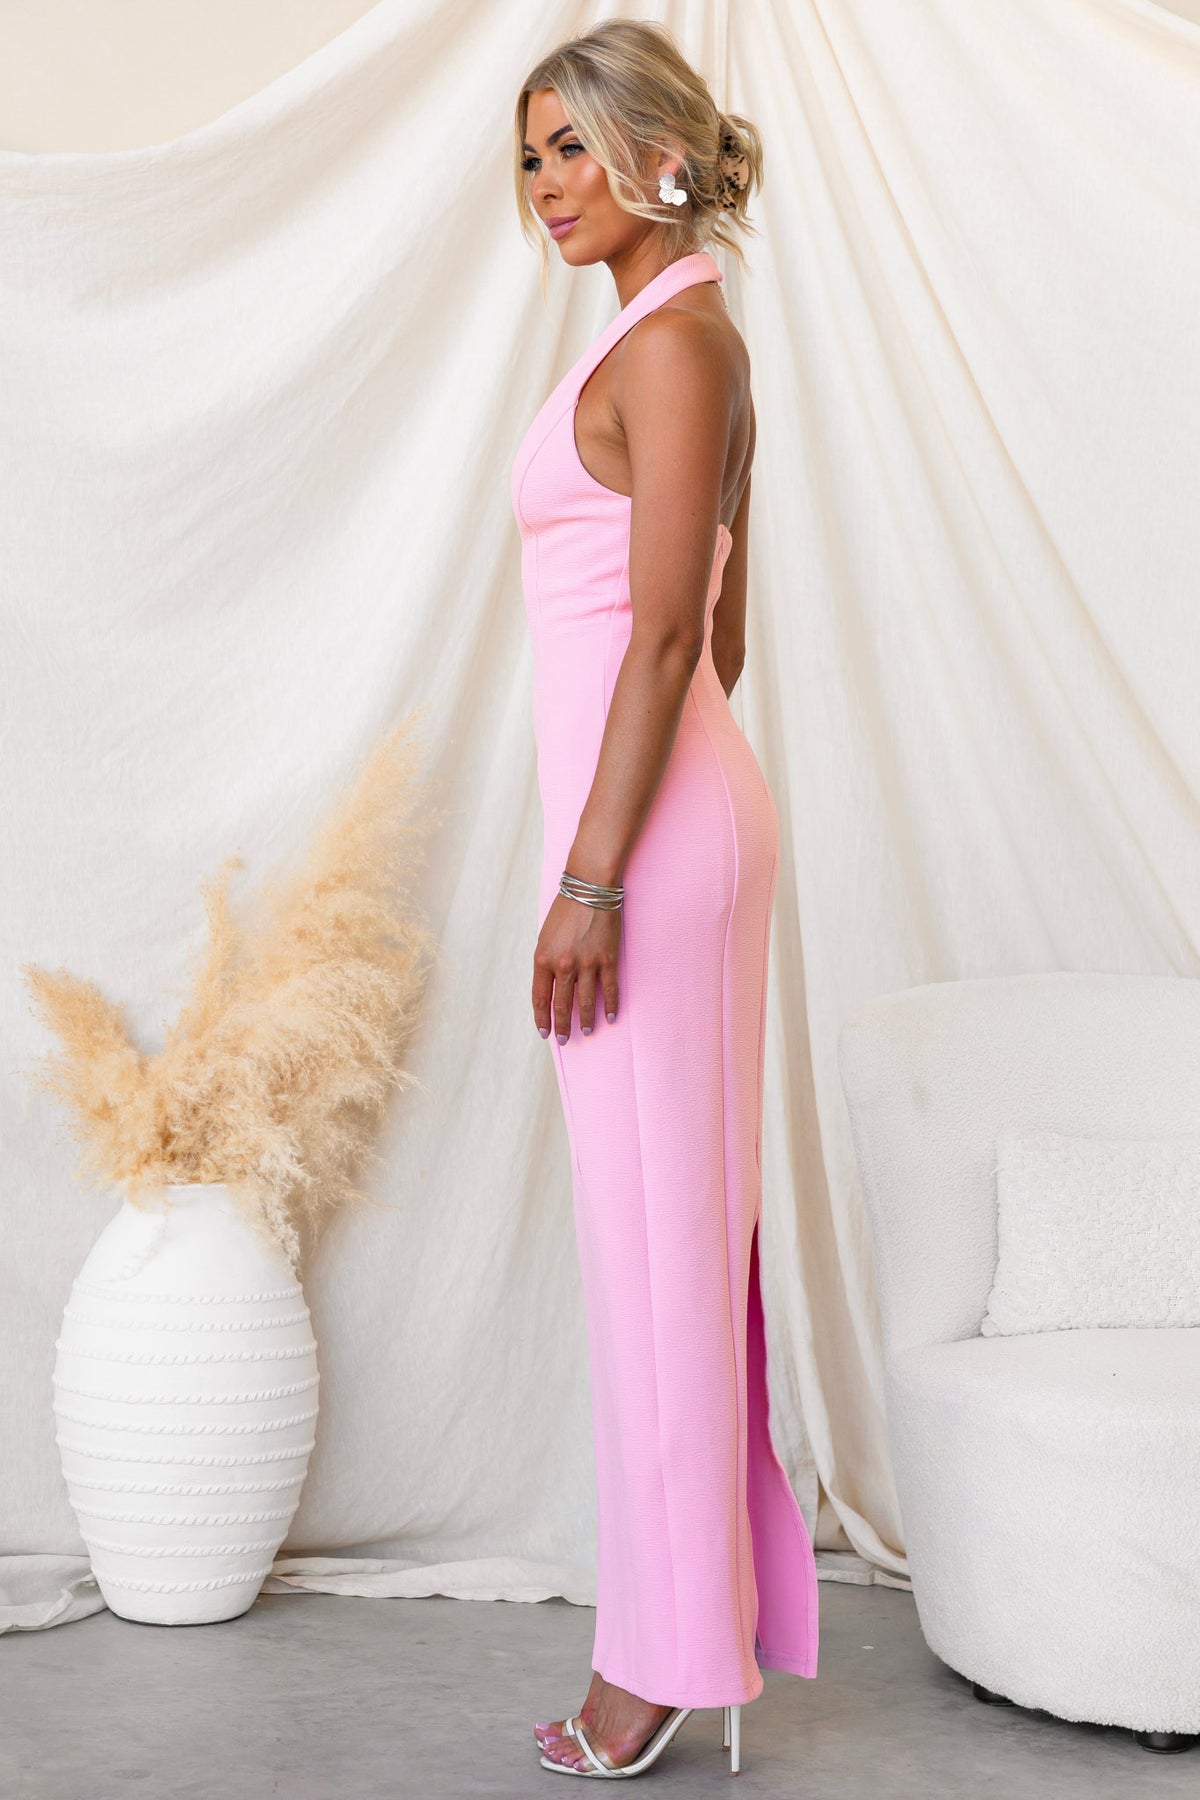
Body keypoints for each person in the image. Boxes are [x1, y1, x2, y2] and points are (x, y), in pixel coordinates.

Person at [509, 18, 818, 1781]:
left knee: (664, 1251)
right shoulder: (657, 337)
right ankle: (683, 1625)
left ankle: (664, 1662)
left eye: (573, 145)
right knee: (653, 1245)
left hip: (642, 857)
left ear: (660, 153)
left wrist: (599, 874)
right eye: (531, 155)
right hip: (654, 835)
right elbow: (725, 638)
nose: (547, 183)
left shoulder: (683, 342)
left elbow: (676, 640)